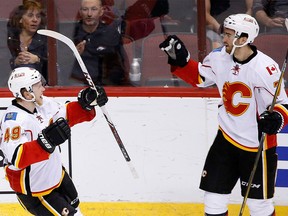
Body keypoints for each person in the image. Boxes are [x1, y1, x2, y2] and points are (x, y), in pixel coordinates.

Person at [159, 14, 288, 215]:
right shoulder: (219, 57)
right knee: (213, 200)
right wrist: (182, 61)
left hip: (257, 146)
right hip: (226, 139)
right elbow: (201, 78)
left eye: (228, 35)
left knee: (259, 206)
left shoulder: (265, 68)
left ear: (243, 38)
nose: (223, 39)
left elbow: (282, 104)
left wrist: (277, 118)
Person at [0, 67, 108, 215]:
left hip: (55, 175)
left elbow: (65, 115)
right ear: (26, 93)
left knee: (75, 206)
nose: (43, 88)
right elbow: (17, 157)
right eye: (38, 85)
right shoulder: (14, 120)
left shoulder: (41, 104)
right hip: (35, 189)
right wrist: (46, 142)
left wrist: (86, 104)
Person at [71, 0, 130, 86]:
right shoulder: (71, 34)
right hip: (76, 85)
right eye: (85, 9)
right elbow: (60, 69)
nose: (89, 14)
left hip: (106, 86)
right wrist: (73, 54)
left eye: (94, 9)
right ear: (80, 11)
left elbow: (120, 67)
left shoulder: (111, 34)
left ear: (101, 11)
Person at [7, 0, 48, 81]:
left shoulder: (45, 39)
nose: (35, 20)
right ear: (20, 19)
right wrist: (15, 62)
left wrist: (37, 59)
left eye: (38, 16)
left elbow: (56, 69)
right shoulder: (12, 40)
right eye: (30, 15)